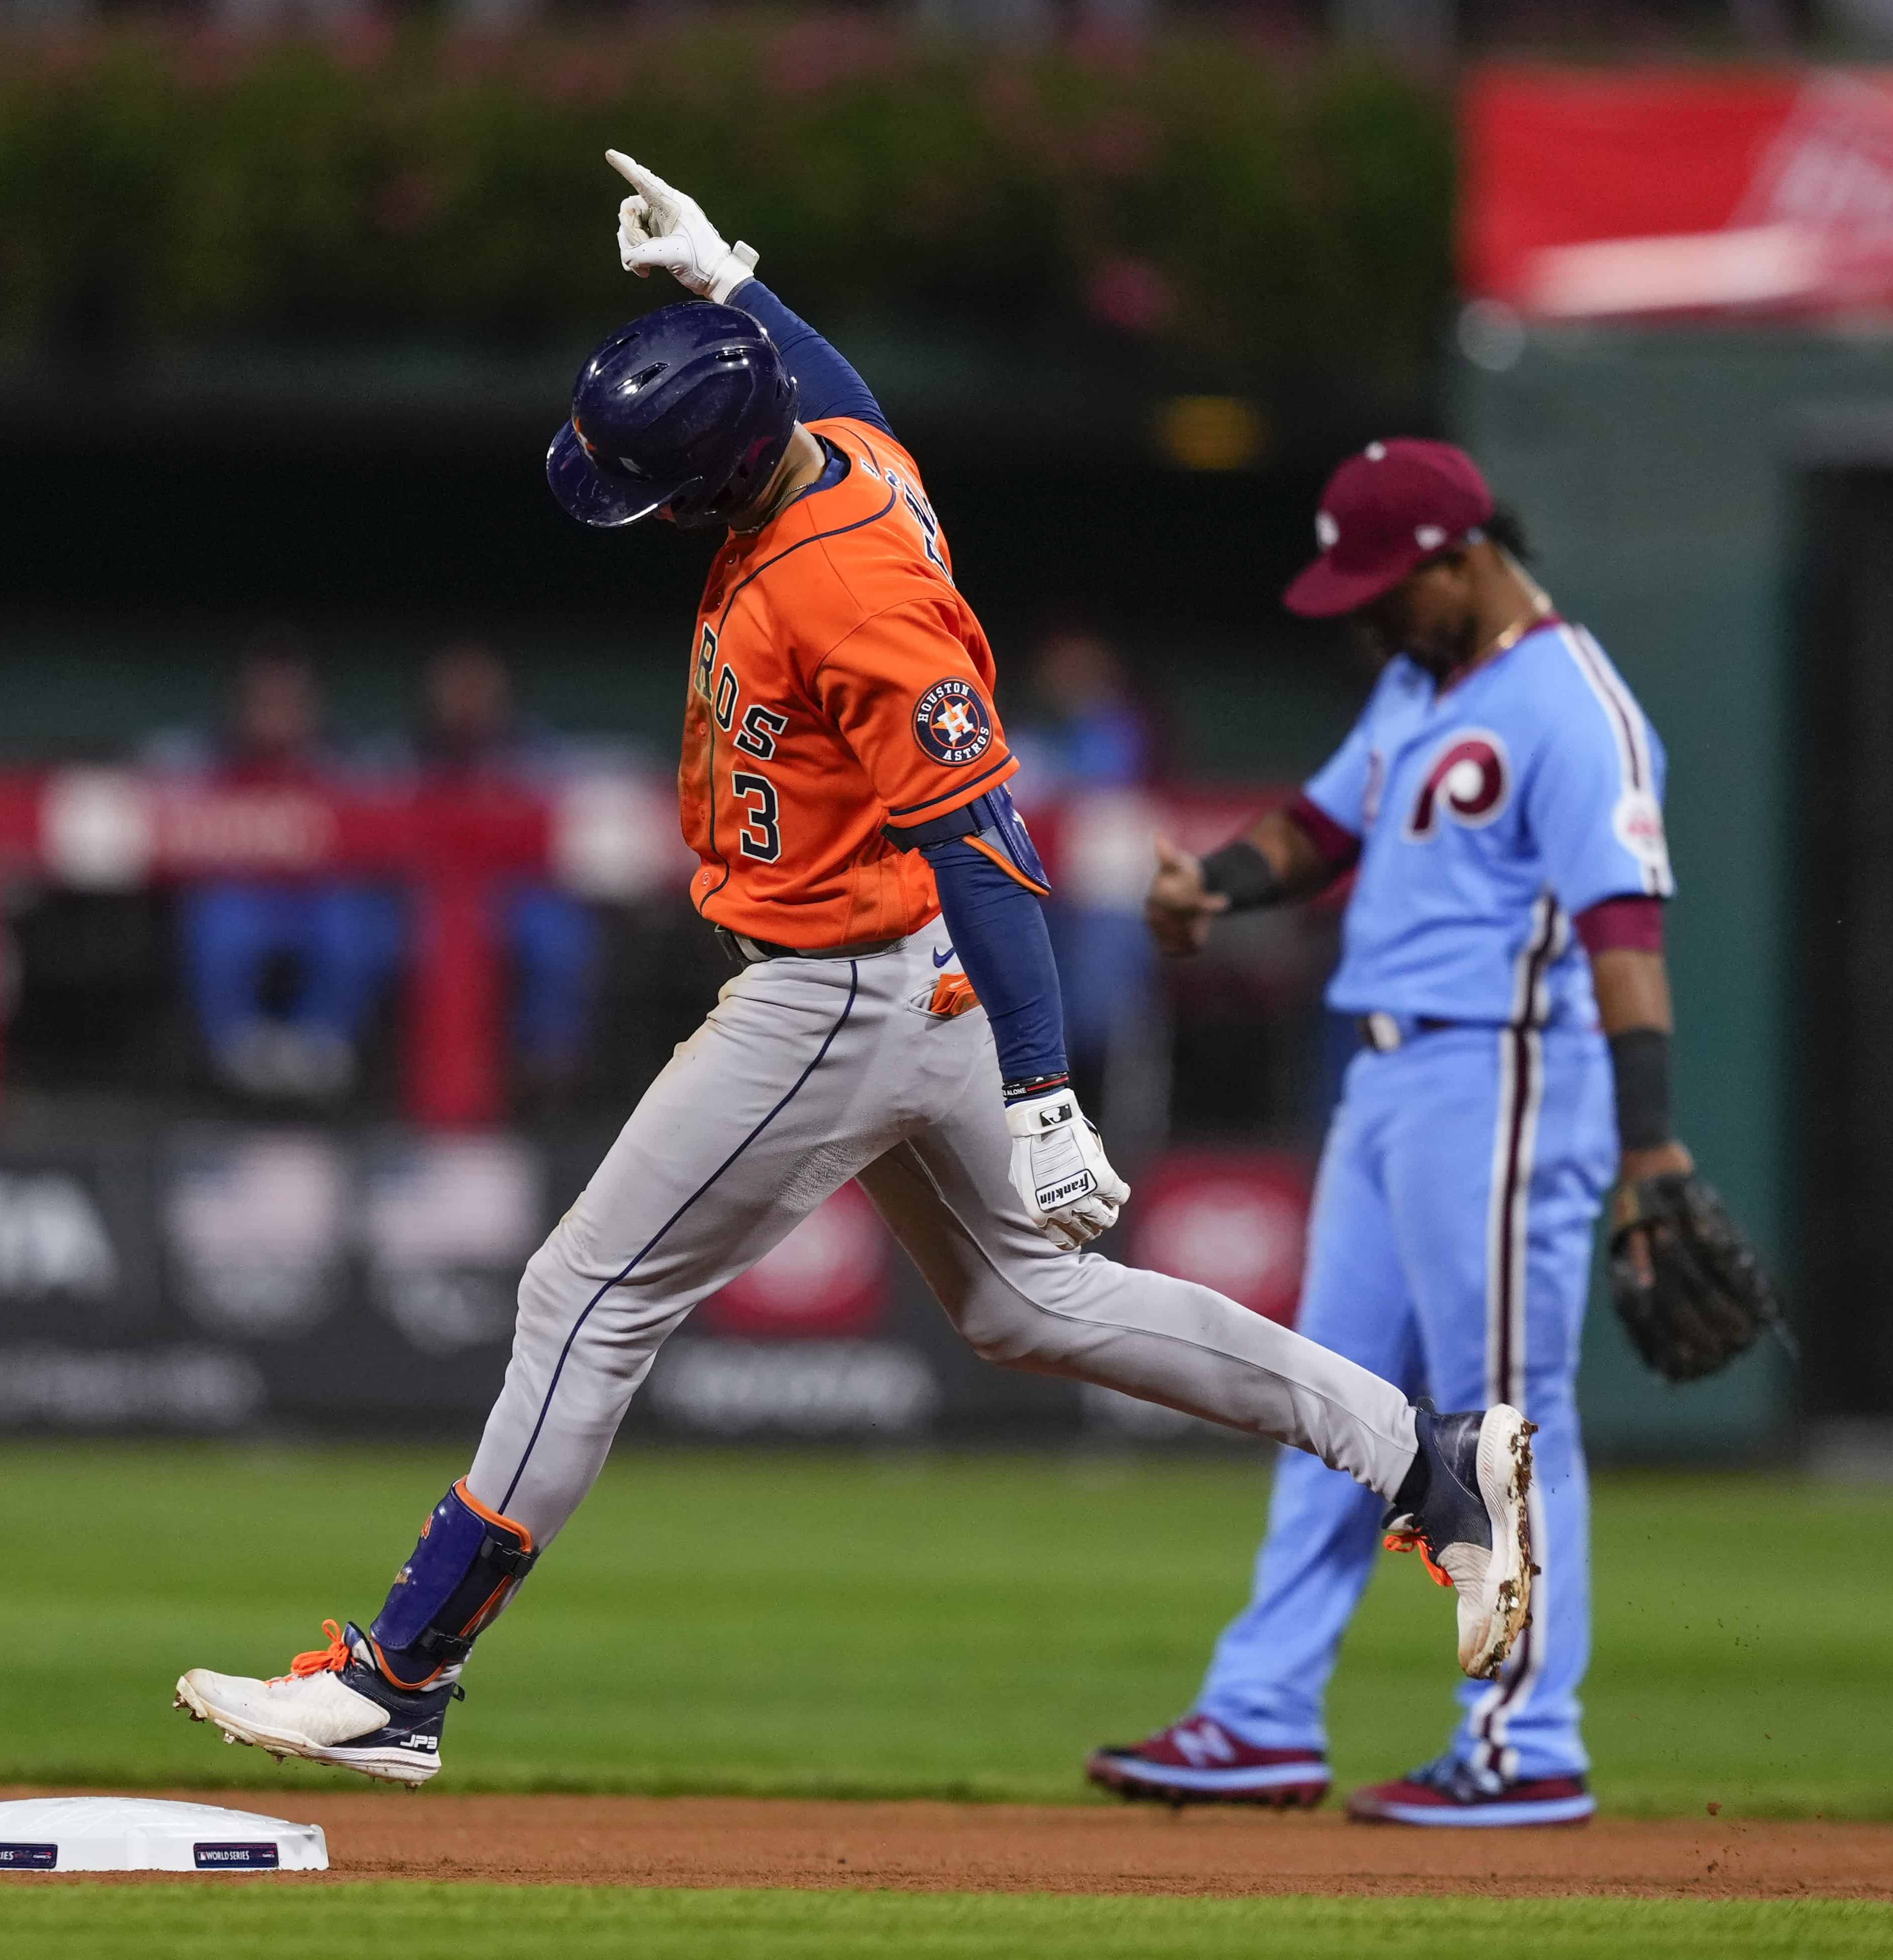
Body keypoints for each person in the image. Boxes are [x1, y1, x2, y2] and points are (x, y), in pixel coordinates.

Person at [171, 155, 1541, 1785]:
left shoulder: (852, 584)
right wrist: (731, 287)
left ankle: (403, 1670)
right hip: (883, 969)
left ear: (711, 477)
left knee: (582, 1296)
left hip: (835, 985)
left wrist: (1046, 1088)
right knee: (1031, 1300)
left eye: (655, 483)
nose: (644, 507)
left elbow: (985, 838)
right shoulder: (839, 458)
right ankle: (1423, 1459)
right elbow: (849, 396)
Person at [1086, 439, 1681, 1827]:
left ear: (1464, 557)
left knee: (1504, 1417)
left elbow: (1627, 931)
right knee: (1332, 1406)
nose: (1367, 615)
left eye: (1385, 584)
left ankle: (1527, 1733)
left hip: (1508, 1074)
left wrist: (1650, 1144)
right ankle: (1261, 1714)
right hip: (1387, 1078)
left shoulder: (1574, 703)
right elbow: (1317, 827)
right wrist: (1213, 885)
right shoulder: (1423, 681)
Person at [177, 646, 395, 1103]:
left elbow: (387, 842)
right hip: (242, 897)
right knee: (222, 923)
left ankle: (325, 1049)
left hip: (317, 901)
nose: (276, 715)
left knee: (351, 923)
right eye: (263, 702)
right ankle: (236, 1054)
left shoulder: (351, 766)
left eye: (289, 703)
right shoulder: (198, 761)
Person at [401, 641, 600, 1096]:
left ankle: (548, 1076)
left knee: (559, 940)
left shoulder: (542, 759)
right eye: (454, 688)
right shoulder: (397, 759)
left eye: (478, 687)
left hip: (523, 894)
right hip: (424, 900)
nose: (466, 701)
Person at [1018, 626, 1163, 1073]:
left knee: (1094, 1013)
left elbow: (1100, 785)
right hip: (1045, 893)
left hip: (1107, 897)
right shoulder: (1036, 731)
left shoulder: (1118, 729)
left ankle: (1093, 1108)